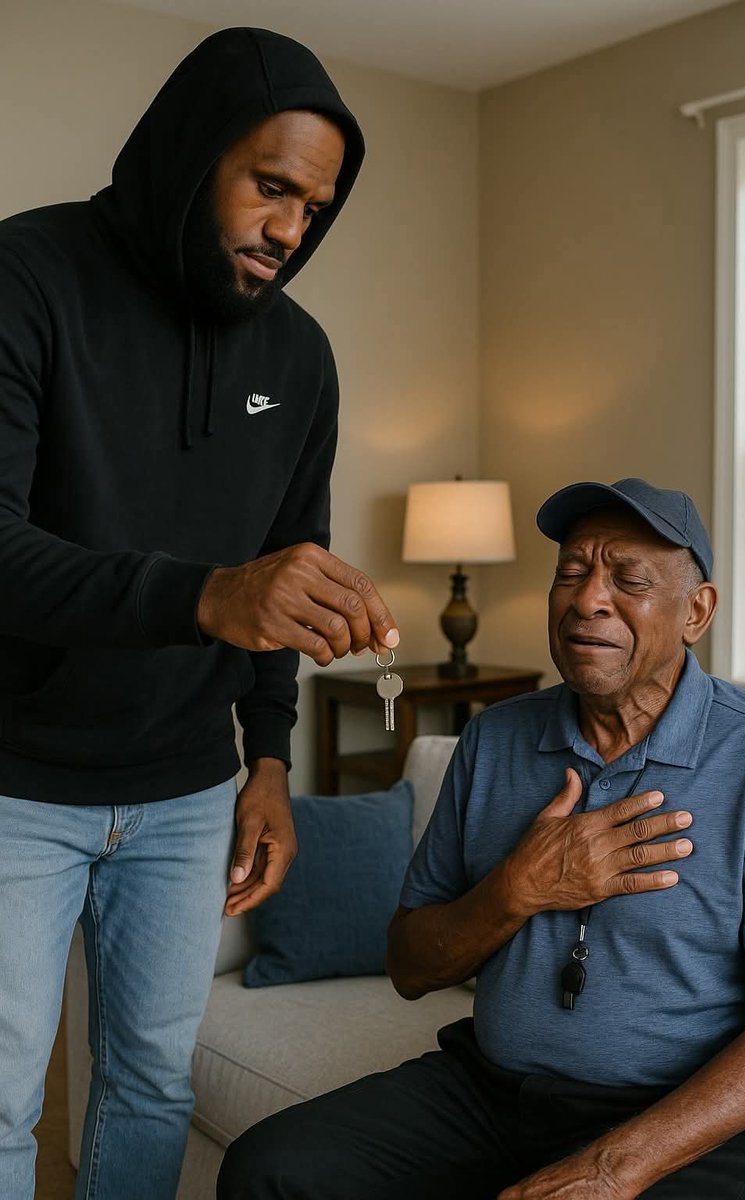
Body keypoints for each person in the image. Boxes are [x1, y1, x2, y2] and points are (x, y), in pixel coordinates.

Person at [0, 26, 399, 1200]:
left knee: (152, 1088)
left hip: (186, 794)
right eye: (269, 186)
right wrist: (206, 595)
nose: (290, 230)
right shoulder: (28, 277)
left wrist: (265, 760)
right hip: (16, 780)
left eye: (313, 207)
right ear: (188, 155)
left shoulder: (303, 357)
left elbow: (291, 568)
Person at [218, 477, 745, 1200]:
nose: (589, 599)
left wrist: (609, 1170)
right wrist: (517, 889)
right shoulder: (495, 740)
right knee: (270, 1170)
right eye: (571, 572)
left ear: (696, 612)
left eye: (629, 579)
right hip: (490, 1093)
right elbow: (409, 966)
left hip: (678, 1119)